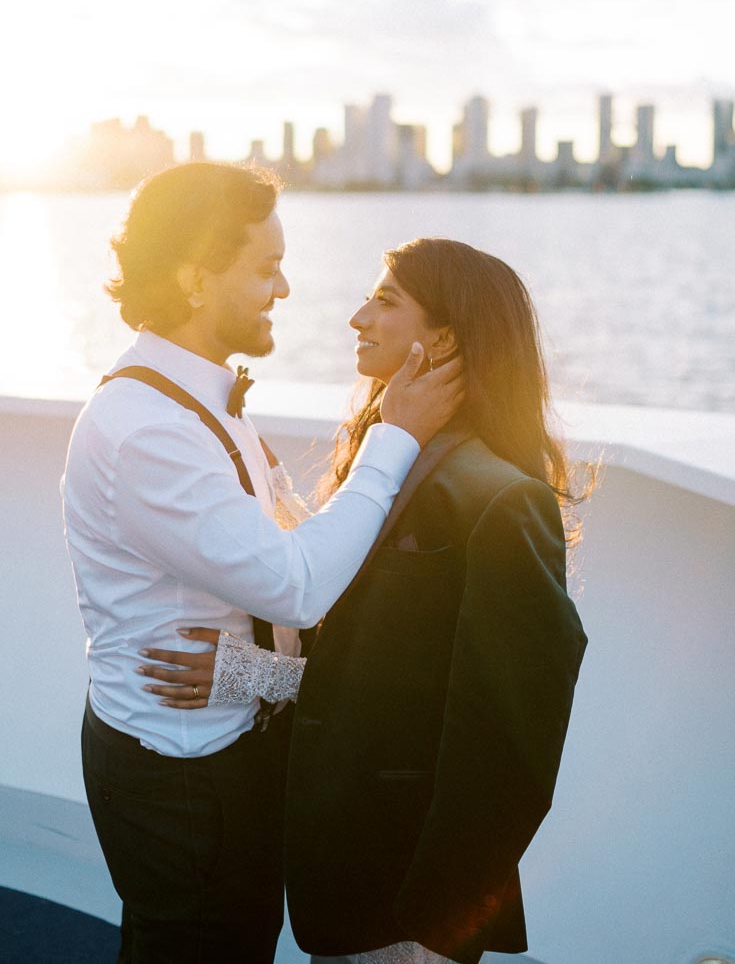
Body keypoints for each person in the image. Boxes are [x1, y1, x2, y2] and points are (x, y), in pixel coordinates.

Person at [60, 164, 463, 964]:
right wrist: (397, 435)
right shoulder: (151, 429)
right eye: (264, 267)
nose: (284, 289)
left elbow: (283, 588)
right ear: (194, 278)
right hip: (182, 782)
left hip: (218, 753)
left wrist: (253, 676)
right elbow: (299, 585)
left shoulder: (199, 404)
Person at [147, 236, 587, 964]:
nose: (357, 317)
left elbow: (510, 746)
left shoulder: (502, 500)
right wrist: (247, 674)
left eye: (385, 301)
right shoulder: (387, 462)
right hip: (344, 880)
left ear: (444, 337)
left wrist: (435, 931)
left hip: (406, 905)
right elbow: (375, 684)